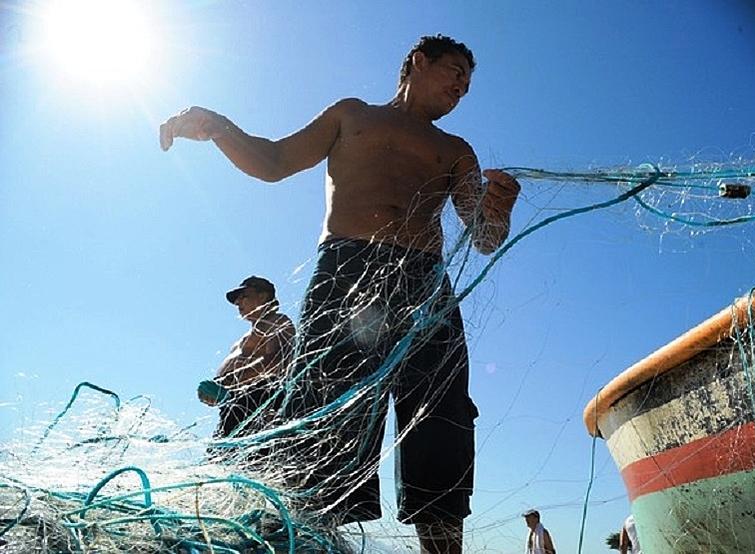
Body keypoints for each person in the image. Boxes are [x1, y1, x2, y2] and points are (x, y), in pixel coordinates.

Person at [161, 35, 520, 554]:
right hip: (346, 269)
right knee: (328, 403)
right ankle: (309, 538)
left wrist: (500, 210)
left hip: (425, 282)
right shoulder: (352, 114)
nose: (462, 86)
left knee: (441, 410)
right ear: (418, 62)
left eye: (468, 81)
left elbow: (483, 238)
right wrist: (219, 127)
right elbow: (274, 161)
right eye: (455, 71)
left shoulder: (456, 150)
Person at [198, 276, 295, 445]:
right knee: (222, 460)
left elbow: (279, 360)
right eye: (236, 299)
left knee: (238, 461)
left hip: (260, 404)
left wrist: (228, 380)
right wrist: (214, 394)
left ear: (263, 296)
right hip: (234, 407)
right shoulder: (243, 339)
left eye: (243, 296)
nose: (237, 302)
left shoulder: (276, 320)